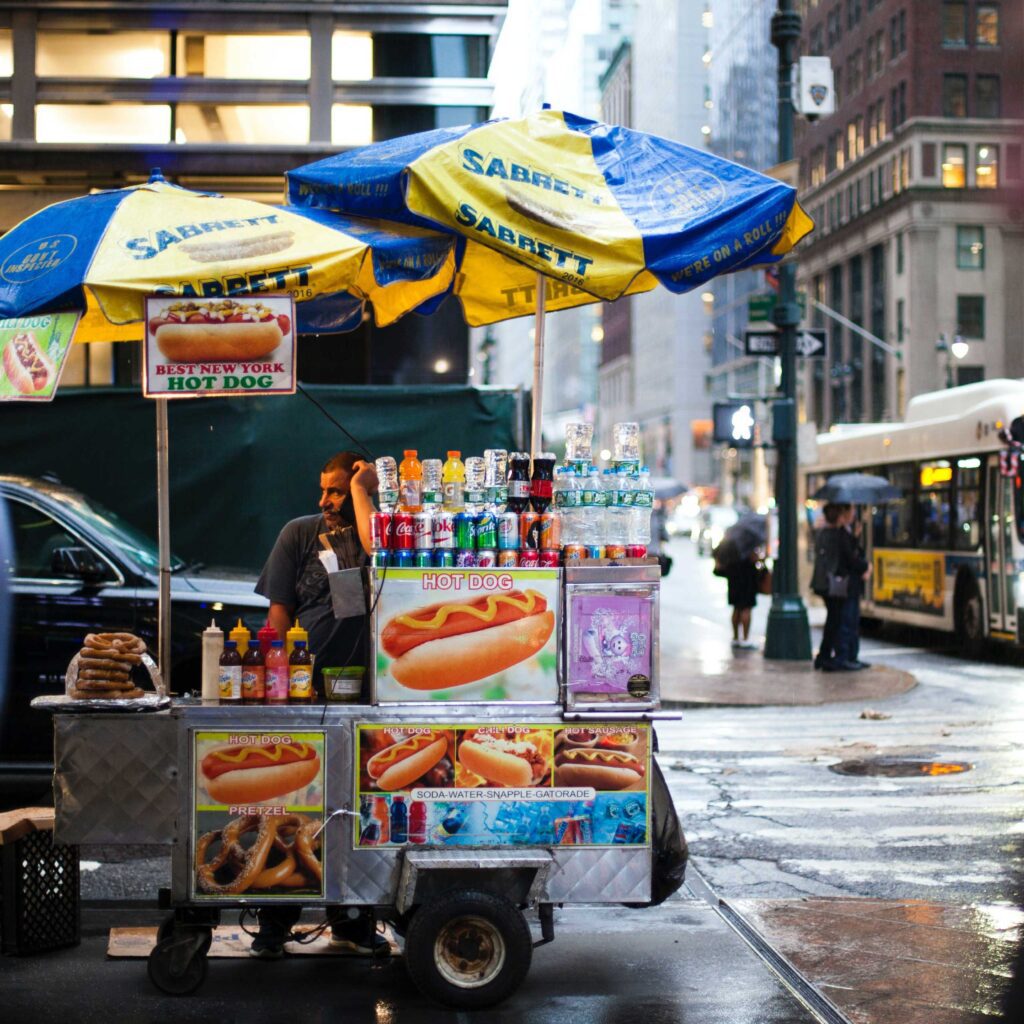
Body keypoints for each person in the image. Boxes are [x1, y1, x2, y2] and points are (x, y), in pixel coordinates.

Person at [250, 450, 388, 960]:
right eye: (324, 490)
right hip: (309, 695)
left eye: (336, 490)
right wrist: (278, 683)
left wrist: (362, 492)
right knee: (293, 807)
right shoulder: (299, 534)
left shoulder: (380, 530)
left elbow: (377, 550)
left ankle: (352, 921)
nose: (325, 500)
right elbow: (279, 612)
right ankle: (275, 920)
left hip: (369, 697)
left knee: (357, 810)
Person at [812, 503, 869, 672]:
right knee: (839, 622)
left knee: (833, 621)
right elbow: (849, 558)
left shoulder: (823, 532)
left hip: (826, 584)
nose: (852, 514)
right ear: (841, 515)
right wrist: (866, 566)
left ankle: (825, 656)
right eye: (850, 511)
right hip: (836, 585)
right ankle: (836, 658)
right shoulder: (838, 534)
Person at [726, 550, 759, 648]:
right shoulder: (749, 542)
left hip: (733, 576)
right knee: (746, 608)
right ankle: (745, 639)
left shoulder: (732, 538)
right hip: (747, 578)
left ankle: (735, 638)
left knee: (736, 608)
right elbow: (754, 558)